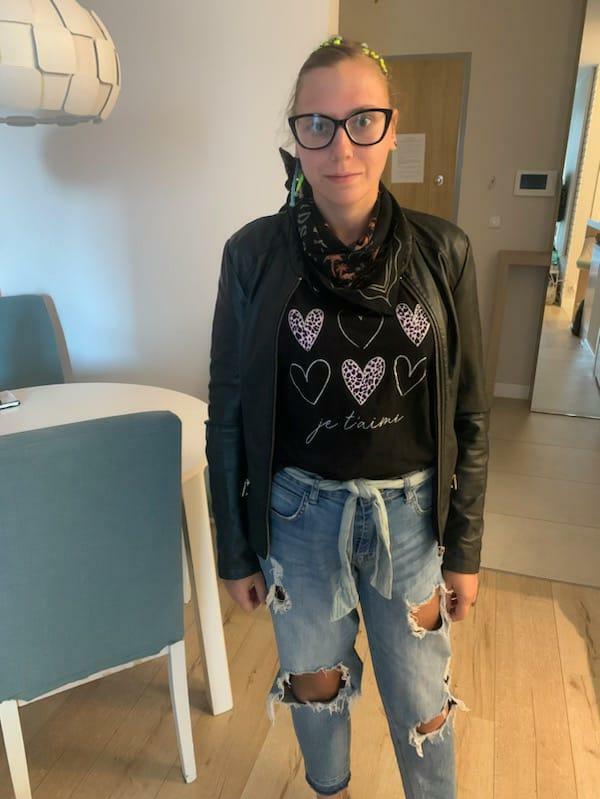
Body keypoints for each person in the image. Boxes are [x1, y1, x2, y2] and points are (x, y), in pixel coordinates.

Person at [205, 35, 490, 799]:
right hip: (297, 521)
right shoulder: (252, 256)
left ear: (392, 129)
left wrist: (464, 546)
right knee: (315, 690)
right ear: (295, 136)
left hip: (412, 521)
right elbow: (227, 410)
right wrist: (234, 550)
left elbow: (471, 412)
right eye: (318, 124)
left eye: (363, 120)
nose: (341, 145)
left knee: (423, 699)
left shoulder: (445, 251)